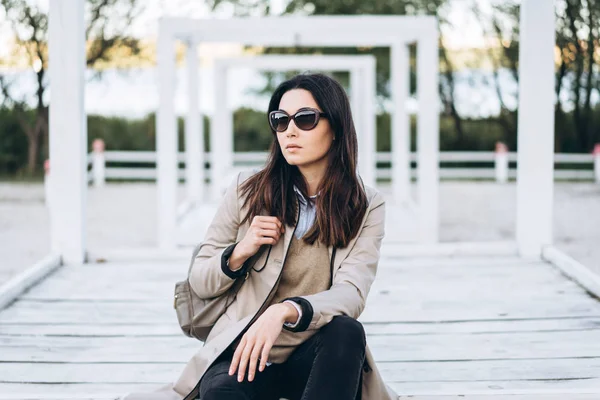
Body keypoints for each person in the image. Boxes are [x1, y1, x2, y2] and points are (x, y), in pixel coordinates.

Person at [120, 73, 398, 400]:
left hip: (313, 352)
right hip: (243, 350)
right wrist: (240, 251)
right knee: (222, 393)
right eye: (280, 121)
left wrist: (285, 311)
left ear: (335, 128)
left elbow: (351, 293)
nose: (290, 130)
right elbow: (200, 281)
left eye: (305, 119)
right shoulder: (247, 190)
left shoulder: (365, 205)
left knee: (347, 332)